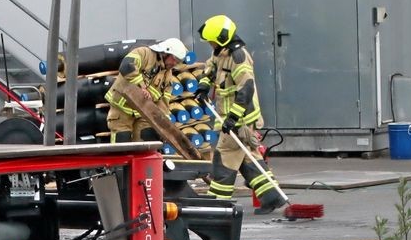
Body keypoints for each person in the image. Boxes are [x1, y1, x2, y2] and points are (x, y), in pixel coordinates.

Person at [195, 14, 286, 214]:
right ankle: (271, 196)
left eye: (211, 41)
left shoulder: (238, 57)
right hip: (231, 118)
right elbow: (210, 69)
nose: (210, 45)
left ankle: (218, 202)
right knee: (247, 159)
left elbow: (246, 89)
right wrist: (203, 87)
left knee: (224, 158)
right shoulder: (221, 54)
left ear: (220, 40)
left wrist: (233, 118)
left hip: (240, 119)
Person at [104, 38, 188, 143]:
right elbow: (127, 66)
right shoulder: (144, 53)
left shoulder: (167, 75)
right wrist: (142, 86)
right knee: (122, 140)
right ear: (166, 52)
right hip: (122, 106)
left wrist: (164, 123)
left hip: (143, 112)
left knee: (147, 140)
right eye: (175, 59)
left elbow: (164, 101)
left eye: (178, 61)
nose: (175, 63)